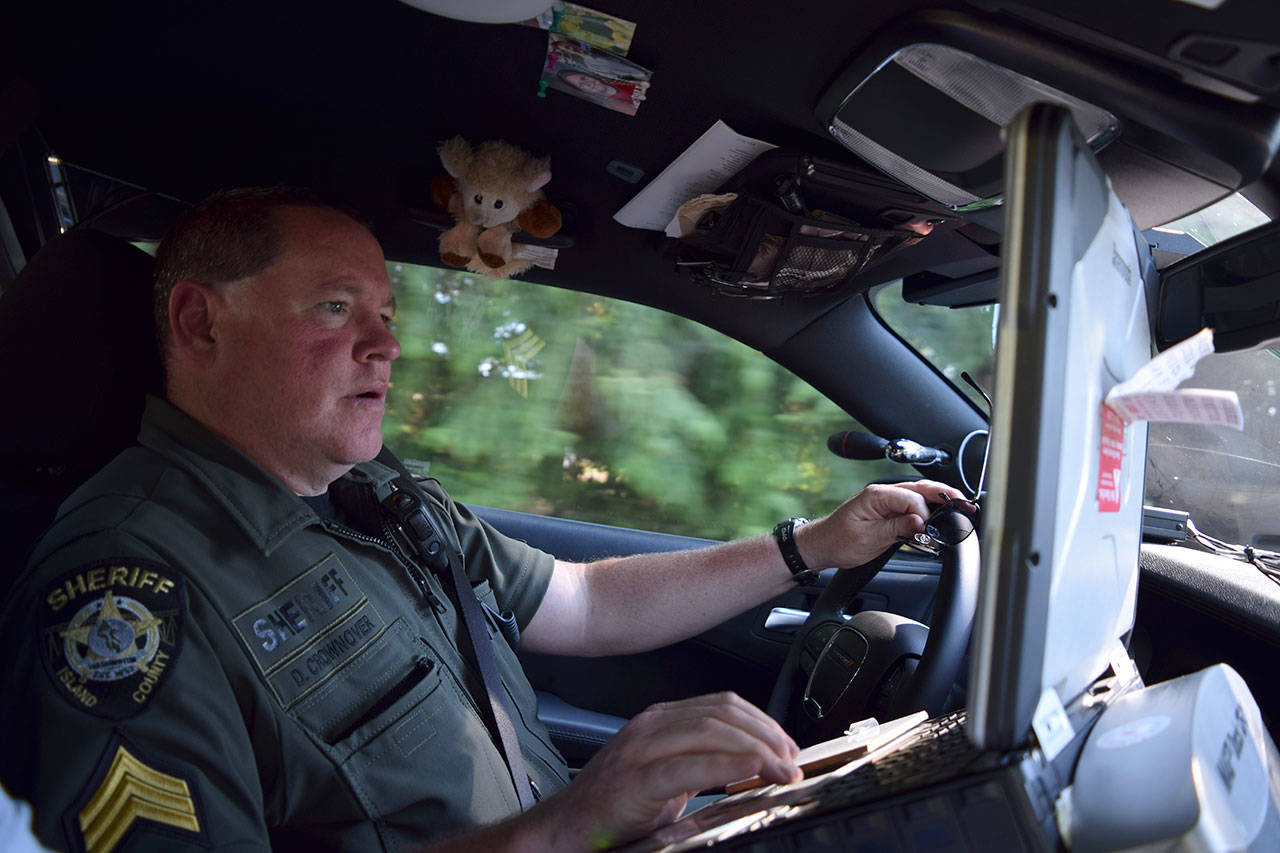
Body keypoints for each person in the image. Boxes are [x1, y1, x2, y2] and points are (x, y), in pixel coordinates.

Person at [0, 188, 968, 852]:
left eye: (384, 310)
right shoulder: (128, 597)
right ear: (200, 324)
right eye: (337, 310)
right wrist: (569, 821)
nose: (386, 344)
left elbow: (581, 604)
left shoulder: (375, 494)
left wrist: (814, 545)